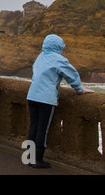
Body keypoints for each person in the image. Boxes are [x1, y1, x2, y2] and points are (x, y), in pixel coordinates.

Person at [26, 34, 94, 168]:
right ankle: (37, 160)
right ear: (59, 46)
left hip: (32, 95)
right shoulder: (59, 59)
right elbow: (72, 75)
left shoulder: (41, 56)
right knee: (42, 129)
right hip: (46, 98)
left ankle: (29, 157)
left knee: (33, 126)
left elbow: (35, 72)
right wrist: (79, 89)